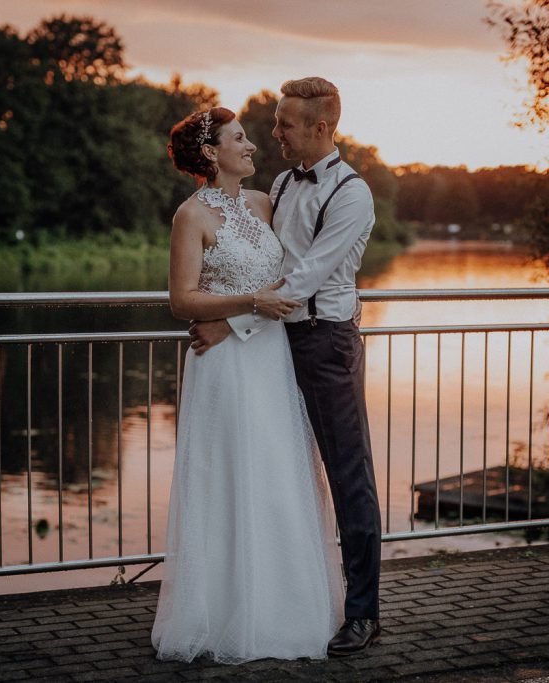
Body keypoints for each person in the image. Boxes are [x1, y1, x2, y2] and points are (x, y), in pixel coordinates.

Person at [190, 77, 383, 656]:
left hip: (325, 344)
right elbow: (256, 264)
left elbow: (303, 280)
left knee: (349, 476)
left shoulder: (352, 194)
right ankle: (275, 599)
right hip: (273, 346)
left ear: (320, 127)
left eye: (285, 124)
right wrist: (224, 305)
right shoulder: (279, 182)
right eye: (273, 123)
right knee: (278, 476)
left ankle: (363, 614)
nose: (274, 133)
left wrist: (229, 323)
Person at [151, 106, 344, 664]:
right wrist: (249, 302)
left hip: (269, 356)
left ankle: (285, 611)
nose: (253, 146)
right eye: (240, 138)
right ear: (212, 152)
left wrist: (242, 315)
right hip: (224, 371)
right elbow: (181, 300)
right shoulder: (191, 216)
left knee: (278, 476)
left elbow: (289, 280)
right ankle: (221, 615)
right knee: (229, 478)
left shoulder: (264, 204)